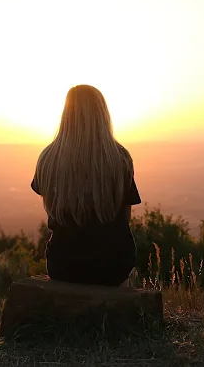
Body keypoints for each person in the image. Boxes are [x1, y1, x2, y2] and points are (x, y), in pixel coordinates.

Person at [30, 84, 142, 286]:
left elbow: (52, 208)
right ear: (102, 115)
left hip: (63, 265)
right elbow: (125, 219)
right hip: (113, 265)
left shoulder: (48, 158)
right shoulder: (120, 158)